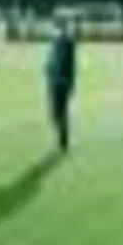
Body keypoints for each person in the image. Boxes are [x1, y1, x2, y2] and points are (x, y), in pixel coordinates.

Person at [44, 16, 77, 152]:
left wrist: (69, 82)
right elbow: (53, 61)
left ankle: (63, 140)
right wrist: (47, 70)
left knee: (60, 112)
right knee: (56, 112)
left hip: (60, 81)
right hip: (54, 80)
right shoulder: (57, 41)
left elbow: (67, 64)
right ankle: (62, 138)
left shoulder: (66, 42)